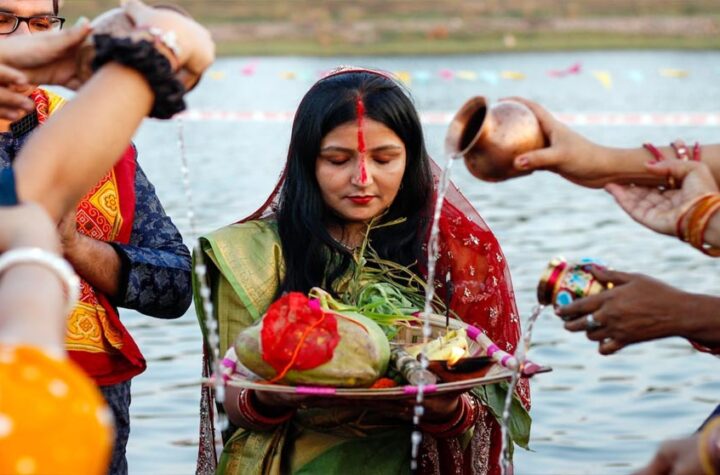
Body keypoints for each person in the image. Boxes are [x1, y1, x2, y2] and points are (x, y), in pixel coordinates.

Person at [194, 68, 530, 475]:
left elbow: (488, 401)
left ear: (411, 159)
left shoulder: (455, 254)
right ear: (306, 161)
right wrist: (270, 396)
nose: (362, 179)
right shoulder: (249, 253)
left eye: (385, 159)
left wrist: (447, 408)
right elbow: (232, 392)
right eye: (338, 160)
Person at [0, 6, 214, 474]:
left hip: (92, 412)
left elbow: (177, 285)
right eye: (1, 21)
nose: (23, 40)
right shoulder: (75, 149)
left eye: (41, 25)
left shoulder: (91, 142)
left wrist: (78, 248)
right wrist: (154, 51)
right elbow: (32, 201)